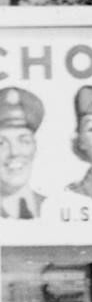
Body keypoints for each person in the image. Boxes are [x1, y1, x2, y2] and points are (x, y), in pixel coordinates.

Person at [0, 86, 47, 219]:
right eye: (1, 143)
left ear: (35, 147)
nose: (14, 152)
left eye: (24, 140)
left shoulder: (53, 208)